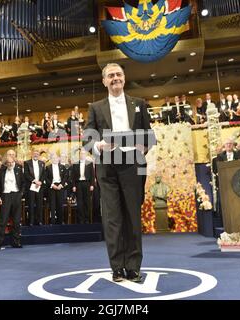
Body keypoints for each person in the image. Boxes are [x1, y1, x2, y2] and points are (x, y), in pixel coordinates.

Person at [84, 63, 156, 283]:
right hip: (107, 166)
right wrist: (98, 147)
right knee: (113, 219)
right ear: (104, 81)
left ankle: (133, 267)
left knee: (133, 217)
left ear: (124, 78)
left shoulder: (139, 104)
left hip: (132, 164)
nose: (115, 78)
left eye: (118, 74)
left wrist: (143, 147)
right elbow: (87, 140)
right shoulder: (95, 107)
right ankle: (117, 268)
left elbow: (149, 136)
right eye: (110, 75)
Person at [0, 155, 25, 249]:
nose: (11, 164)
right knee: (3, 221)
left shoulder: (18, 170)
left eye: (12, 162)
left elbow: (23, 183)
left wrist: (21, 194)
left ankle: (16, 242)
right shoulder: (1, 172)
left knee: (16, 221)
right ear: (6, 163)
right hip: (5, 196)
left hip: (16, 195)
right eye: (9, 163)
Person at [71, 148, 94, 224]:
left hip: (87, 184)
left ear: (86, 155)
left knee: (87, 202)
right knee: (80, 202)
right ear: (79, 155)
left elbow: (92, 175)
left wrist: (92, 184)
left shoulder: (89, 163)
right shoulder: (75, 163)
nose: (82, 155)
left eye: (84, 154)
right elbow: (73, 176)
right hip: (78, 184)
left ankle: (87, 219)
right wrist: (74, 186)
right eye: (81, 154)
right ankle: (81, 219)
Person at [24, 149, 46, 226]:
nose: (36, 155)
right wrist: (34, 181)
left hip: (39, 186)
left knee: (39, 204)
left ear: (39, 155)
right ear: (31, 154)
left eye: (37, 153)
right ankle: (31, 221)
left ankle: (39, 220)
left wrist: (40, 182)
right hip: (31, 186)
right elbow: (26, 174)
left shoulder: (42, 163)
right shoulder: (27, 163)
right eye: (34, 153)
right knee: (31, 204)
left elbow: (44, 174)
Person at [45, 153, 68, 224]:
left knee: (60, 204)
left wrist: (61, 184)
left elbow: (65, 176)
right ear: (51, 159)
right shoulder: (48, 167)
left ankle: (60, 221)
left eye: (56, 158)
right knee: (52, 205)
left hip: (60, 186)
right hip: (52, 187)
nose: (55, 159)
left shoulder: (62, 167)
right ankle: (53, 221)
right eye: (53, 158)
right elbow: (46, 178)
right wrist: (52, 185)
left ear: (58, 159)